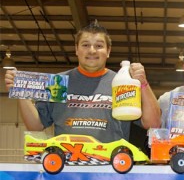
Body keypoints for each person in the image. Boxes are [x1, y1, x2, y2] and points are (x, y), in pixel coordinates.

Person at [4, 20, 161, 143]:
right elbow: (36, 125)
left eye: (99, 46)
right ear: (76, 49)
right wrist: (20, 92)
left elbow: (153, 124)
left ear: (108, 51)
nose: (92, 50)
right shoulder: (58, 83)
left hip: (110, 171)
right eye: (85, 45)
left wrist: (143, 84)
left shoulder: (123, 84)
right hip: (66, 169)